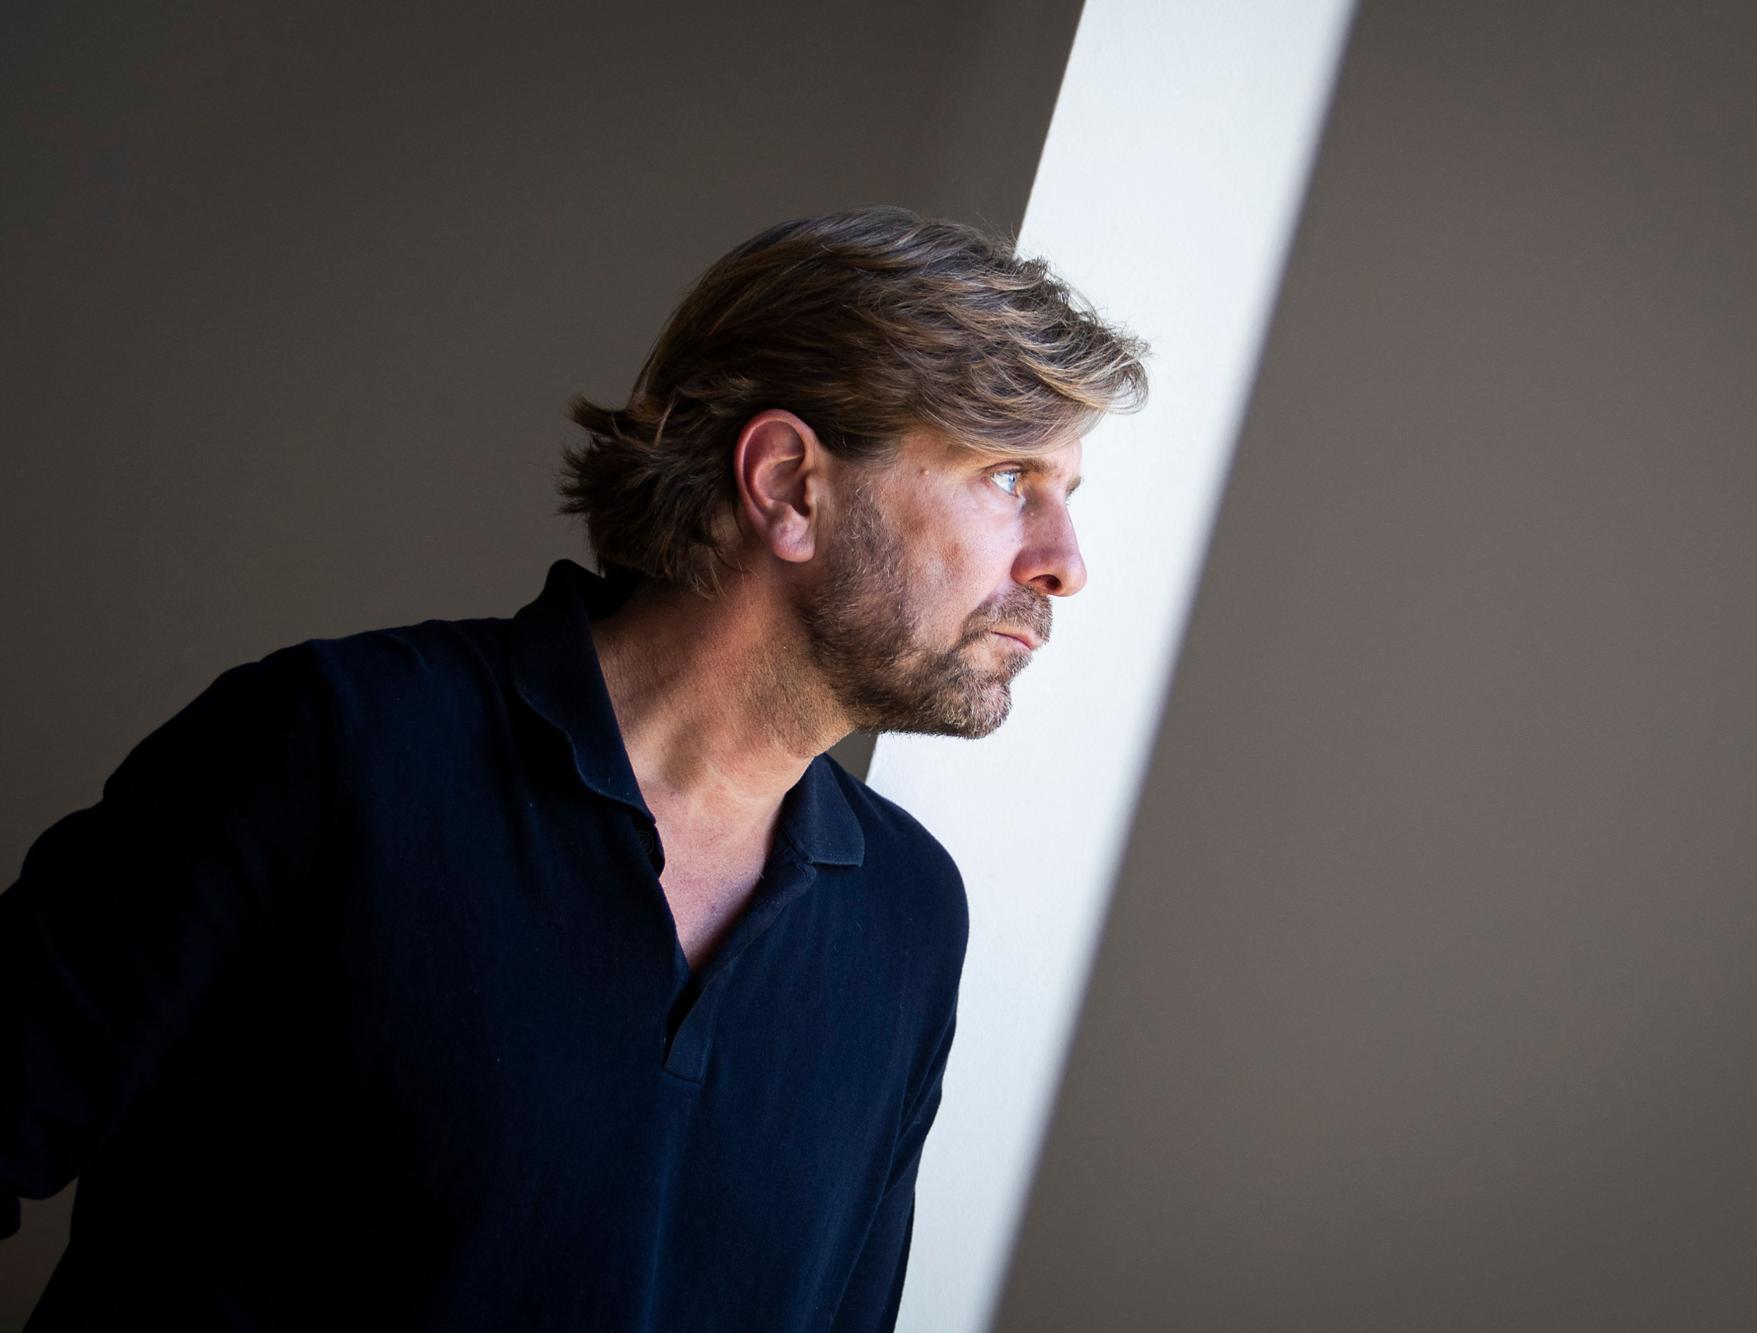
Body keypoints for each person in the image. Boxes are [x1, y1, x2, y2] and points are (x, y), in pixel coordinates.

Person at [0, 206, 1149, 1330]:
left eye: (1066, 494)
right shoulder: (330, 753)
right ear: (791, 485)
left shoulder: (906, 915)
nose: (1064, 565)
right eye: (1007, 477)